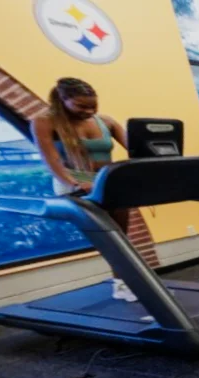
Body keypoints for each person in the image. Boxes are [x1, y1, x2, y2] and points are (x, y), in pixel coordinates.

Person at [31, 77, 135, 302]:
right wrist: (76, 184)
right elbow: (52, 161)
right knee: (108, 237)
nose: (88, 111)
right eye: (81, 106)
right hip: (74, 183)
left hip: (105, 181)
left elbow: (138, 148)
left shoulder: (105, 121)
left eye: (92, 106)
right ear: (63, 100)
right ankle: (124, 285)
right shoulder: (45, 121)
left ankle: (123, 283)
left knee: (121, 238)